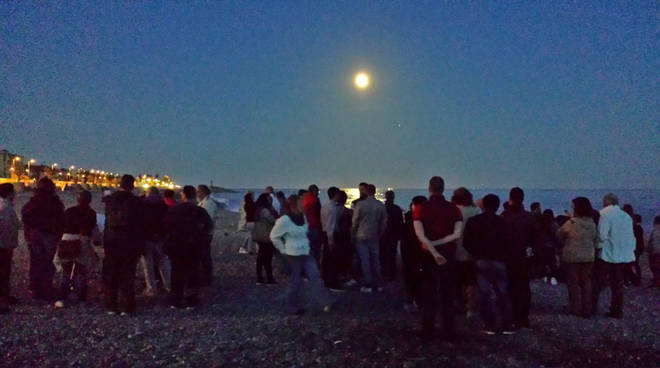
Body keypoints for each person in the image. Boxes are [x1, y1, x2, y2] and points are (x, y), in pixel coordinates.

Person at [413, 176, 463, 341]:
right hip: (448, 254)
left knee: (429, 292)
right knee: (448, 293)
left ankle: (427, 330)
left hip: (428, 255)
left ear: (429, 188)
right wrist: (439, 246)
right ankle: (449, 331)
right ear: (443, 188)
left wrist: (433, 250)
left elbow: (420, 235)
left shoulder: (420, 208)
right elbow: (457, 234)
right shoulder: (453, 209)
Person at [270, 195, 333, 315]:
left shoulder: (303, 217)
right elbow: (274, 236)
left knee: (315, 277)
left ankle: (326, 301)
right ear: (295, 204)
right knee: (295, 281)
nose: (305, 206)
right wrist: (283, 250)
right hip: (293, 254)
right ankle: (292, 307)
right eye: (302, 203)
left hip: (306, 251)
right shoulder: (284, 220)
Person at [463, 194, 515, 335]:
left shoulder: (474, 221)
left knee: (485, 293)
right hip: (499, 260)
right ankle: (507, 324)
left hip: (480, 260)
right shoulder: (503, 223)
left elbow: (466, 242)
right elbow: (510, 243)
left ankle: (490, 325)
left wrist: (475, 253)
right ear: (497, 206)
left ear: (483, 205)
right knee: (503, 293)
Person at [164, 186, 213, 308]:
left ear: (184, 195)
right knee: (193, 272)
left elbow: (165, 225)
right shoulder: (199, 210)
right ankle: (191, 300)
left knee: (176, 272)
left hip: (177, 244)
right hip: (193, 245)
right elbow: (208, 226)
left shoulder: (174, 210)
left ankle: (176, 299)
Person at [102, 175, 145, 315]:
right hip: (129, 240)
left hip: (111, 238)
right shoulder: (136, 202)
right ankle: (127, 305)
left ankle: (111, 305)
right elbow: (139, 224)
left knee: (112, 271)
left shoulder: (110, 200)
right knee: (127, 273)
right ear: (132, 186)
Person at [592, 193, 636, 319]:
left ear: (606, 202)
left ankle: (591, 307)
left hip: (607, 254)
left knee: (598, 282)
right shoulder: (626, 216)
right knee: (617, 285)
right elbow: (630, 236)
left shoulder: (605, 215)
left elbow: (602, 235)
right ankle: (617, 310)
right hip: (622, 255)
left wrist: (596, 247)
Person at [22, 178, 65, 301]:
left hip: (35, 234)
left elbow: (25, 218)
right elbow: (61, 219)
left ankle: (36, 289)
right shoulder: (55, 202)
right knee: (47, 263)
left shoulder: (33, 202)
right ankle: (46, 289)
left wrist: (28, 235)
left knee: (35, 262)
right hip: (49, 235)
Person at [53, 190, 98, 308]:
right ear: (90, 200)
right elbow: (94, 232)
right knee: (81, 271)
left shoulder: (69, 211)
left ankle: (62, 298)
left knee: (65, 271)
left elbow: (60, 225)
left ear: (77, 199)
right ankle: (81, 298)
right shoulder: (92, 213)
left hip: (67, 240)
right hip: (83, 241)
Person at [555, 197, 598, 318]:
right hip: (588, 256)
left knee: (573, 284)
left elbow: (559, 234)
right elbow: (594, 237)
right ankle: (587, 309)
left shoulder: (571, 223)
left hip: (572, 256)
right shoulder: (592, 223)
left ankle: (575, 308)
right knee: (586, 283)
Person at [500, 187, 536, 328]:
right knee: (524, 287)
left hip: (508, 257)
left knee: (510, 288)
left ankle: (511, 316)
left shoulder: (504, 216)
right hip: (523, 256)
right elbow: (535, 238)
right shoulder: (528, 217)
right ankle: (523, 317)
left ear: (510, 199)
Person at [451, 187, 481, 320]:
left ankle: (458, 303)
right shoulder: (475, 211)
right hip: (471, 252)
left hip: (454, 250)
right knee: (471, 282)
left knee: (457, 280)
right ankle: (470, 308)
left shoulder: (452, 211)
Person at [352, 184, 388, 293]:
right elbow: (384, 222)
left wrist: (353, 233)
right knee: (375, 260)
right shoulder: (380, 205)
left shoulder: (361, 205)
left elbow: (355, 221)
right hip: (374, 235)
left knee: (365, 260)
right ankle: (378, 283)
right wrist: (380, 233)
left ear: (366, 192)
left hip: (361, 235)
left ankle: (368, 283)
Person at [140, 187, 170, 297]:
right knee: (164, 263)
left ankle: (151, 289)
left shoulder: (143, 205)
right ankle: (169, 286)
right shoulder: (164, 206)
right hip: (160, 238)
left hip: (147, 238)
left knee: (148, 265)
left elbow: (140, 221)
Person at [401, 196, 426, 312]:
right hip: (422, 252)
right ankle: (420, 301)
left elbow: (405, 237)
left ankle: (411, 301)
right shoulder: (427, 219)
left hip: (410, 251)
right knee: (421, 279)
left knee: (410, 278)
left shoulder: (409, 218)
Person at [0, 183, 19, 314]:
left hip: (4, 245)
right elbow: (6, 227)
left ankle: (5, 297)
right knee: (3, 272)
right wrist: (6, 245)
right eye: (13, 192)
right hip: (3, 246)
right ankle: (2, 300)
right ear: (9, 193)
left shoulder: (4, 206)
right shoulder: (5, 207)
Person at [252, 193, 278, 284]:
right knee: (267, 258)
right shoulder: (265, 211)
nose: (271, 200)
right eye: (269, 199)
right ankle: (269, 278)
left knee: (260, 257)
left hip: (259, 235)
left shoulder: (256, 210)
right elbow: (274, 220)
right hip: (266, 235)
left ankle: (259, 277)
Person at [321, 186, 343, 291]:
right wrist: (331, 240)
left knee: (327, 258)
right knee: (333, 259)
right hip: (332, 234)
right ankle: (332, 282)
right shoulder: (333, 208)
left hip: (325, 233)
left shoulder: (325, 206)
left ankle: (325, 279)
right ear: (335, 195)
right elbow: (331, 225)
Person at [380, 190, 404, 282]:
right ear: (393, 198)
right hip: (393, 235)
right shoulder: (397, 209)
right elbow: (400, 223)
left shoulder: (382, 208)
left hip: (383, 234)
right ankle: (392, 273)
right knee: (392, 254)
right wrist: (400, 235)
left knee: (383, 254)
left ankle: (384, 272)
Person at [197, 184, 217, 286]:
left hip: (206, 233)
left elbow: (208, 219)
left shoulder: (209, 203)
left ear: (203, 192)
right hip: (203, 233)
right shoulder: (203, 202)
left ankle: (207, 278)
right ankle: (204, 276)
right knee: (202, 255)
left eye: (199, 191)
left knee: (205, 256)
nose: (197, 193)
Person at [534, 210, 559, 285]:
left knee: (541, 262)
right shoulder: (554, 225)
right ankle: (552, 277)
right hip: (551, 246)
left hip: (541, 246)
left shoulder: (539, 224)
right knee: (552, 263)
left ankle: (541, 276)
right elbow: (557, 236)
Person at [303, 184, 323, 267]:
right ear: (313, 191)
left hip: (309, 225)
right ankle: (315, 266)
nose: (318, 193)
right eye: (317, 191)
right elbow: (318, 213)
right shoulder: (315, 200)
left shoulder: (305, 200)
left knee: (310, 248)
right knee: (315, 248)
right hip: (315, 225)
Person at [648, 216, 660, 288]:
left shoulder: (655, 230)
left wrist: (649, 250)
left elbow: (652, 242)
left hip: (655, 252)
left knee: (655, 268)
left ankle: (657, 282)